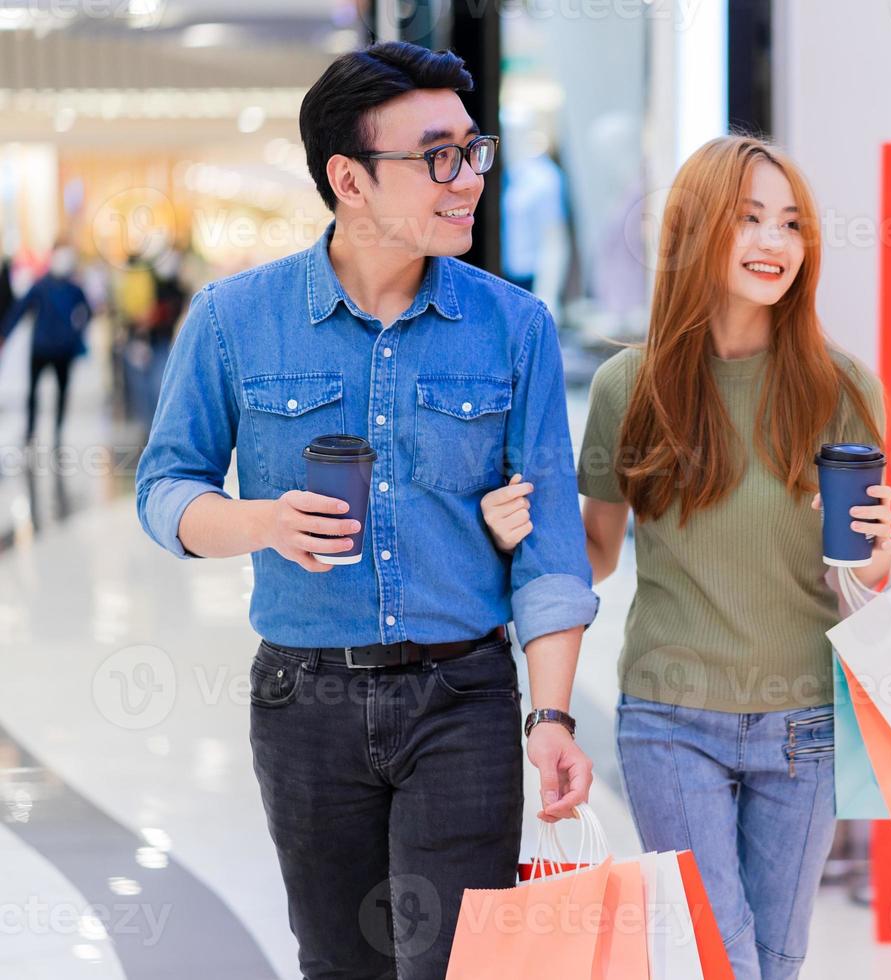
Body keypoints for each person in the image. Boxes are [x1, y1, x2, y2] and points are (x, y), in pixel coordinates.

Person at [134, 41, 598, 979]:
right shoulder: (235, 318)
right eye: (436, 156)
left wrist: (553, 718)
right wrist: (262, 522)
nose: (466, 178)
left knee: (456, 965)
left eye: (473, 150)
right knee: (340, 962)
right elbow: (165, 490)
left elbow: (550, 553)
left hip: (461, 696)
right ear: (348, 177)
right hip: (305, 702)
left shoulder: (515, 328)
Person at [481, 135, 891, 978]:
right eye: (749, 220)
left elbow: (865, 580)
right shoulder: (628, 389)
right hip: (670, 723)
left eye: (790, 224)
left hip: (805, 723)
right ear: (698, 229)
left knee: (775, 961)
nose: (775, 243)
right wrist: (513, 534)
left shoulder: (843, 388)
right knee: (723, 960)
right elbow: (595, 554)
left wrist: (878, 559)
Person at [0, 245, 91, 446]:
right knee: (34, 392)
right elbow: (20, 309)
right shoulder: (42, 286)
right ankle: (31, 431)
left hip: (59, 350)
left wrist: (76, 333)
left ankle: (55, 431)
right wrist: (4, 334)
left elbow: (87, 311)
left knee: (59, 392)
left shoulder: (72, 289)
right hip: (43, 349)